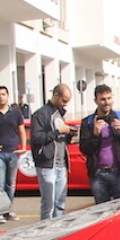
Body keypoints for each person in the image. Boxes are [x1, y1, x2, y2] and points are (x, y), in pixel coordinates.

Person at [79, 84, 120, 203]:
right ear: (96, 101)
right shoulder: (88, 122)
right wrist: (94, 134)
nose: (106, 102)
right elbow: (84, 149)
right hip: (98, 174)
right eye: (102, 99)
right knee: (101, 211)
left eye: (109, 98)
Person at [30, 84, 77, 219]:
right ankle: (46, 233)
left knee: (60, 203)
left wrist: (69, 134)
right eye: (64, 100)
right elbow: (37, 138)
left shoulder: (60, 114)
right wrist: (57, 132)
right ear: (55, 95)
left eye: (67, 101)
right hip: (47, 165)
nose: (65, 104)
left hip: (62, 164)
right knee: (48, 205)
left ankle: (58, 231)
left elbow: (61, 139)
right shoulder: (41, 114)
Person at [0, 85, 27, 220]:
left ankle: (8, 209)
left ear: (8, 96)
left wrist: (23, 147)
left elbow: (21, 131)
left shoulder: (16, 113)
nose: (1, 97)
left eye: (3, 94)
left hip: (13, 151)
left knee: (11, 183)